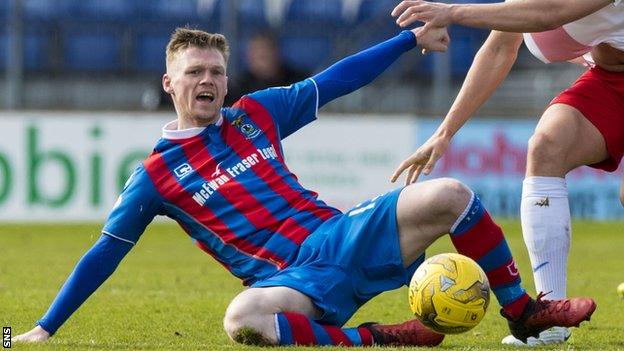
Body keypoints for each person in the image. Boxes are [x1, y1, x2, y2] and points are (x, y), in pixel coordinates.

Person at [14, 27, 595, 347]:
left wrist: (409, 40)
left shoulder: (255, 113)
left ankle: (523, 313)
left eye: (217, 70)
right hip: (290, 282)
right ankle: (378, 339)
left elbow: (336, 80)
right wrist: (44, 328)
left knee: (452, 195)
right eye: (196, 71)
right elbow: (104, 253)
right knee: (244, 320)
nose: (209, 80)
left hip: (342, 234)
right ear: (170, 82)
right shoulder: (155, 177)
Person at [390, 0, 623, 346]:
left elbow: (549, 14)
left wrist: (453, 13)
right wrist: (445, 132)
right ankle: (548, 319)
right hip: (611, 81)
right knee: (546, 147)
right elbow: (500, 48)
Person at [225, 31, 308, 106]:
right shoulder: (237, 89)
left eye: (266, 53)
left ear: (277, 53)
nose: (262, 56)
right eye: (257, 53)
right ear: (248, 56)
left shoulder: (298, 82)